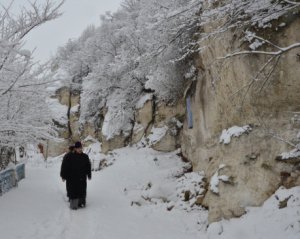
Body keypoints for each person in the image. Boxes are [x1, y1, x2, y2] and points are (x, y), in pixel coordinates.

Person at [60, 141, 91, 210]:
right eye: (78, 148)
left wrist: (89, 174)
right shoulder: (69, 156)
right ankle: (73, 203)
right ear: (75, 148)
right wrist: (63, 176)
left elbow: (88, 166)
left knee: (82, 191)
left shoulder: (85, 156)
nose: (80, 149)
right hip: (72, 178)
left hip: (82, 178)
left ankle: (81, 203)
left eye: (81, 148)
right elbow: (64, 166)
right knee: (73, 192)